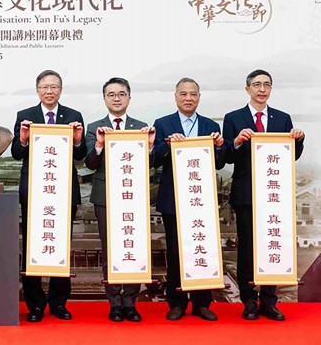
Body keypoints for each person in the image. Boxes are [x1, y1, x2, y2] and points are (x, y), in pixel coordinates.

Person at [222, 69, 304, 321]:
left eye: (266, 84)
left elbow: (291, 154)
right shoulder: (234, 117)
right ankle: (248, 300)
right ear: (247, 89)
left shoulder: (282, 118)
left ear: (271, 89)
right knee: (247, 247)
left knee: (272, 243)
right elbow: (225, 156)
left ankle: (269, 300)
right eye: (256, 84)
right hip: (246, 193)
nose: (261, 89)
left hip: (274, 195)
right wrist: (235, 142)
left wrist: (298, 140)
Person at [11, 69, 85, 323]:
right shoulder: (25, 116)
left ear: (61, 90)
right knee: (32, 245)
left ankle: (58, 302)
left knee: (61, 244)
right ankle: (34, 304)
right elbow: (16, 153)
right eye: (45, 87)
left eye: (54, 87)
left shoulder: (73, 116)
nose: (49, 91)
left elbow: (81, 154)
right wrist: (23, 139)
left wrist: (77, 140)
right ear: (37, 90)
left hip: (63, 192)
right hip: (34, 193)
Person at [152, 78, 227, 321]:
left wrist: (219, 146)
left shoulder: (209, 125)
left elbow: (220, 162)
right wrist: (167, 145)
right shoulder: (163, 124)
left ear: (199, 97)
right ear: (175, 97)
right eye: (183, 93)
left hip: (200, 199)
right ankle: (176, 302)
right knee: (174, 251)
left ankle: (202, 302)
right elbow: (154, 159)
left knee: (201, 247)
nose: (188, 98)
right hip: (173, 198)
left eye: (192, 94)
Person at [84, 77, 154, 323]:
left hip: (133, 196)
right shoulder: (94, 127)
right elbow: (90, 163)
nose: (116, 98)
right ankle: (114, 302)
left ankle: (131, 302)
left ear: (129, 98)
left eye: (121, 94)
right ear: (104, 98)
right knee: (111, 248)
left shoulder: (141, 126)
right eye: (111, 94)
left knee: (133, 245)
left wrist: (149, 148)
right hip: (105, 198)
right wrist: (100, 145)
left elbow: (151, 164)